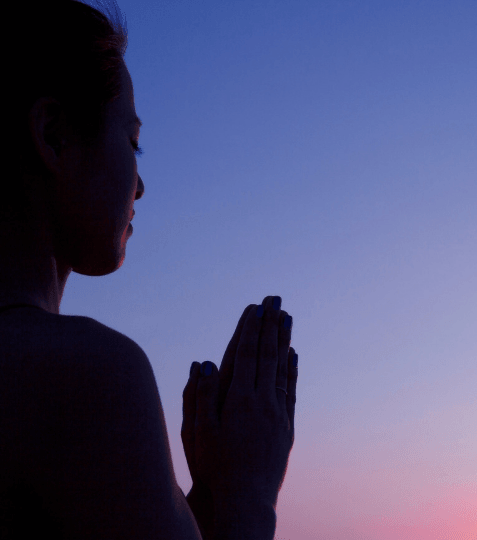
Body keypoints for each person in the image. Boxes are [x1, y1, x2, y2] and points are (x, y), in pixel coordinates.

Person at [0, 1, 298, 538]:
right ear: (55, 136)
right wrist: (250, 490)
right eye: (132, 140)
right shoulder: (88, 375)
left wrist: (207, 494)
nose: (139, 185)